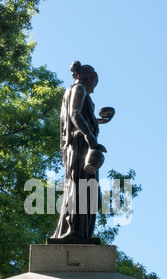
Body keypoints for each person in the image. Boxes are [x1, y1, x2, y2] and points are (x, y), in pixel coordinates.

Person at [52, 61, 113, 241]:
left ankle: (80, 231)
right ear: (90, 78)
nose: (94, 88)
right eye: (95, 83)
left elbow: (82, 118)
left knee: (86, 189)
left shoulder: (80, 92)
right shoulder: (79, 89)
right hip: (80, 147)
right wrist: (90, 137)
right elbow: (75, 115)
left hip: (82, 146)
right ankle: (75, 231)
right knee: (80, 188)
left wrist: (100, 121)